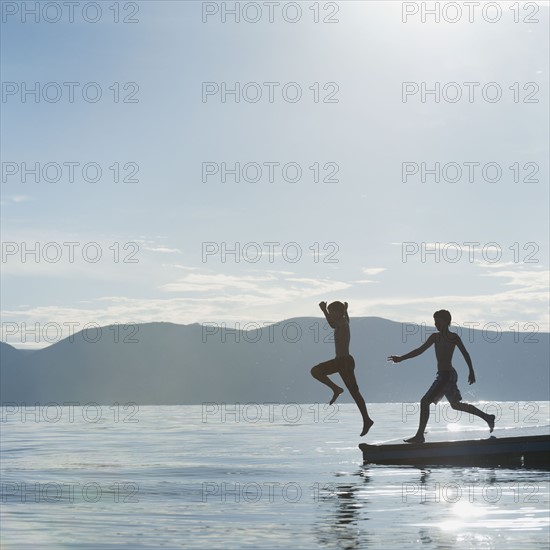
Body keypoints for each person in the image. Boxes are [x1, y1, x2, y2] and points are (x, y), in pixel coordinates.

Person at [388, 309, 495, 443]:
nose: (436, 324)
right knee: (455, 405)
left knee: (424, 401)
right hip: (446, 375)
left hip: (447, 375)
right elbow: (419, 351)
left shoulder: (453, 337)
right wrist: (401, 358)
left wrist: (471, 371)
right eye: (435, 322)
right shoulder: (435, 337)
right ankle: (488, 417)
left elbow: (465, 353)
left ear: (446, 322)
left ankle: (420, 435)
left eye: (438, 321)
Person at [311, 301, 374, 437]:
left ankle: (367, 420)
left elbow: (332, 323)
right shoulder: (342, 322)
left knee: (355, 393)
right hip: (339, 361)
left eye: (332, 312)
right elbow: (334, 323)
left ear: (338, 313)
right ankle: (336, 389)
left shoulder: (342, 323)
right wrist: (343, 311)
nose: (331, 315)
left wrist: (324, 311)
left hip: (344, 362)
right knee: (315, 371)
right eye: (330, 312)